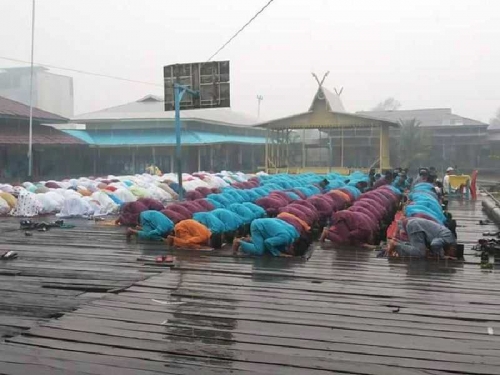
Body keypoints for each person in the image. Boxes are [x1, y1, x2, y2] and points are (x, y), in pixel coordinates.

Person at [387, 217, 457, 259]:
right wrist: (441, 256)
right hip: (416, 226)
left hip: (415, 224)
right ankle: (396, 244)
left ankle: (398, 243)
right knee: (420, 253)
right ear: (453, 248)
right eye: (453, 252)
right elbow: (435, 244)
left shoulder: (447, 236)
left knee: (416, 248)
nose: (451, 254)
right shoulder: (450, 239)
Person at [233, 218, 300, 257]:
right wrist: (279, 254)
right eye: (291, 252)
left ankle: (249, 240)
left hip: (266, 224)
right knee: (259, 251)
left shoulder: (295, 234)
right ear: (292, 247)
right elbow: (267, 242)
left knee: (271, 247)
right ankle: (239, 242)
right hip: (258, 226)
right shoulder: (285, 238)